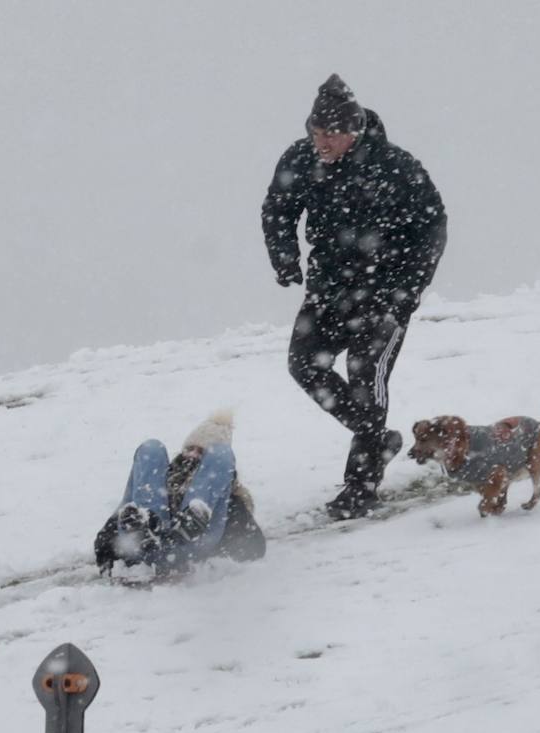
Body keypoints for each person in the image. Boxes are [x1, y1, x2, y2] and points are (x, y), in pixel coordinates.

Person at [261, 74, 448, 519]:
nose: (320, 142)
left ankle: (360, 485)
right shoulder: (301, 158)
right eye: (315, 132)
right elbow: (278, 208)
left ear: (354, 130)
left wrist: (407, 291)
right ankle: (376, 438)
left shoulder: (396, 167)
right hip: (329, 289)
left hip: (385, 294)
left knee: (366, 378)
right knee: (304, 364)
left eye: (330, 134)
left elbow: (432, 227)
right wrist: (284, 255)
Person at [94, 411, 265, 575]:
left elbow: (255, 547)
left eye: (201, 453)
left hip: (189, 549)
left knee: (222, 452)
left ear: (209, 464)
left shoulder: (227, 499)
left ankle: (192, 520)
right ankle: (145, 525)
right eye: (190, 448)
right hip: (143, 547)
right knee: (151, 448)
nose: (192, 455)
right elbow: (104, 540)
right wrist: (112, 558)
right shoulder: (159, 484)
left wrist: (216, 558)